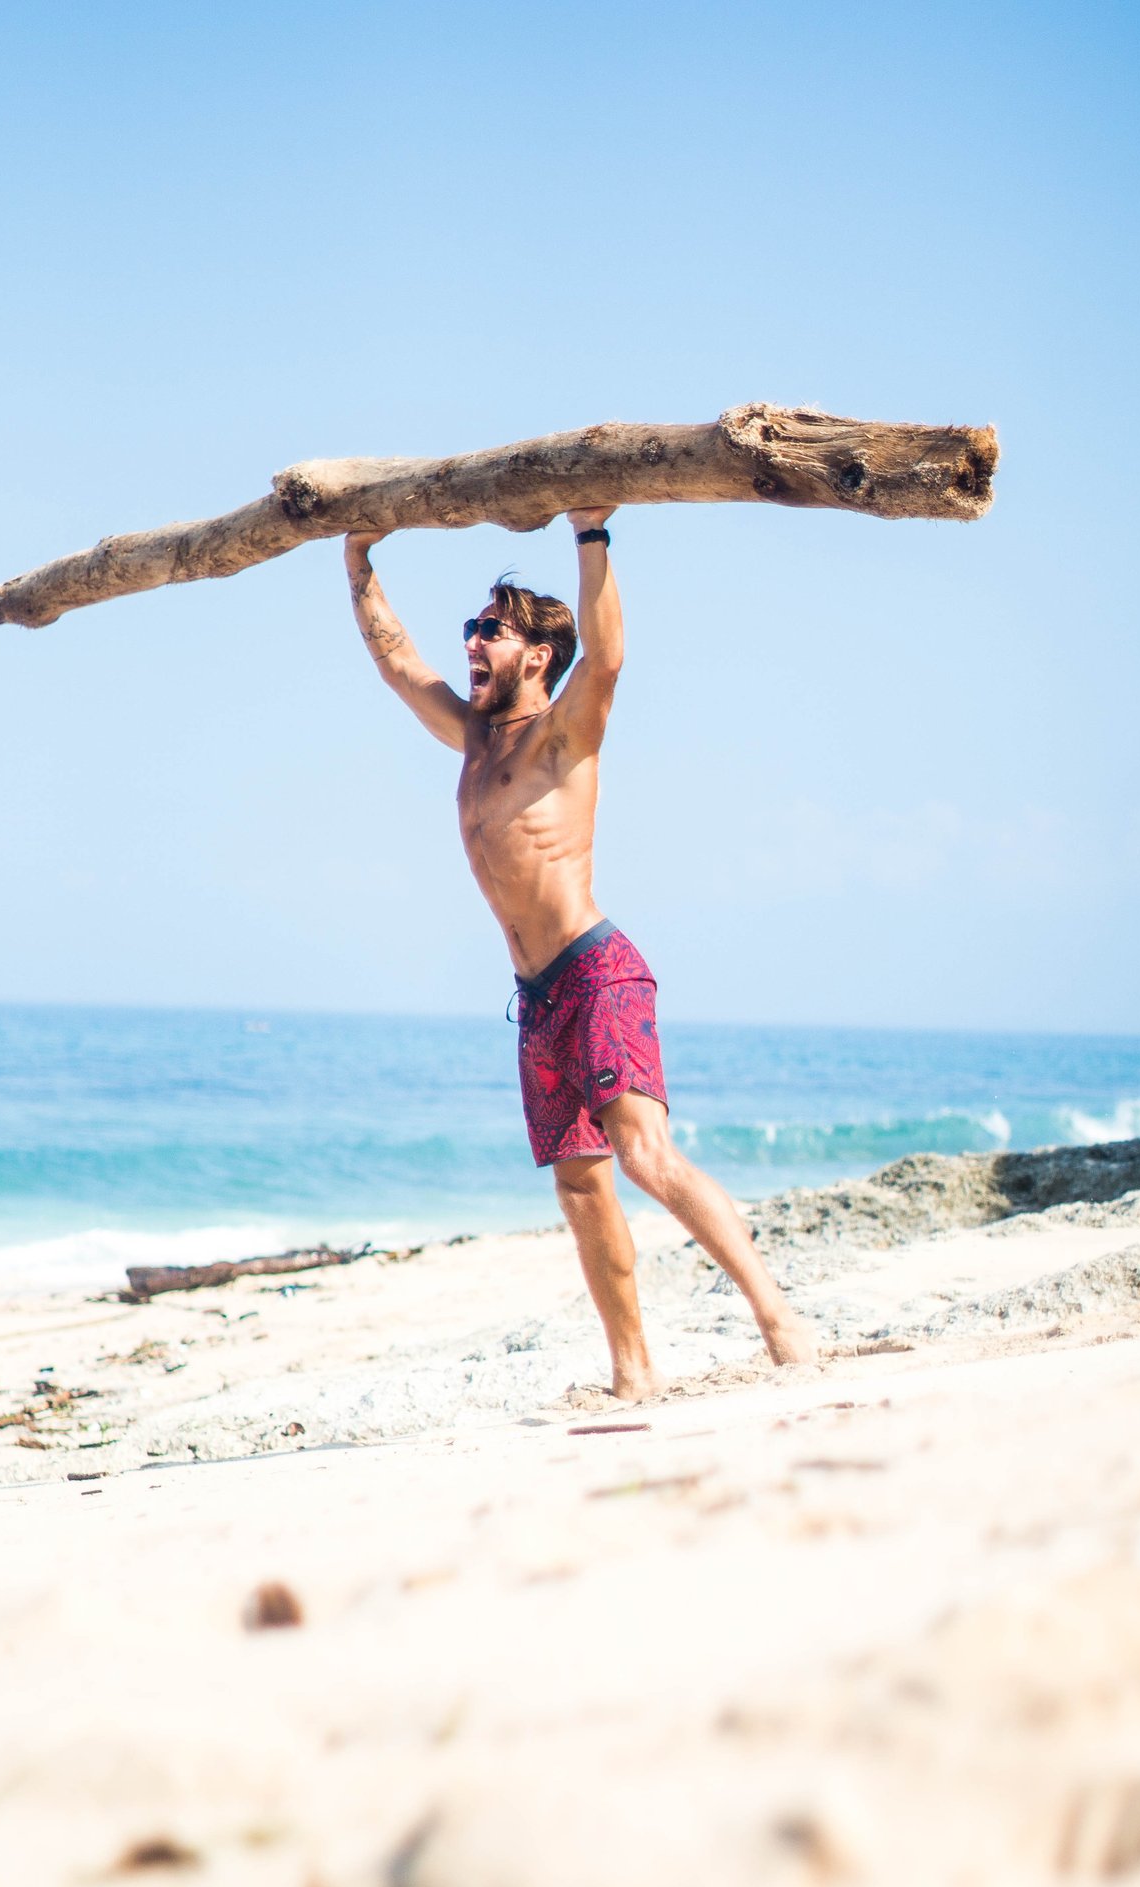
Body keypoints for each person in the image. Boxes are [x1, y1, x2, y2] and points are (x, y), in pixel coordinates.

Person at [343, 509, 817, 1398]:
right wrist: (357, 556)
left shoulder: (565, 733)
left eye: (492, 631)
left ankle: (778, 1320)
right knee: (581, 1188)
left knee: (645, 1158)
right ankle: (632, 1372)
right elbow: (397, 661)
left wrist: (591, 534)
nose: (472, 643)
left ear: (533, 655)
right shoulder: (473, 739)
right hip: (536, 999)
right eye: (471, 630)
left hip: (597, 971)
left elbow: (608, 658)